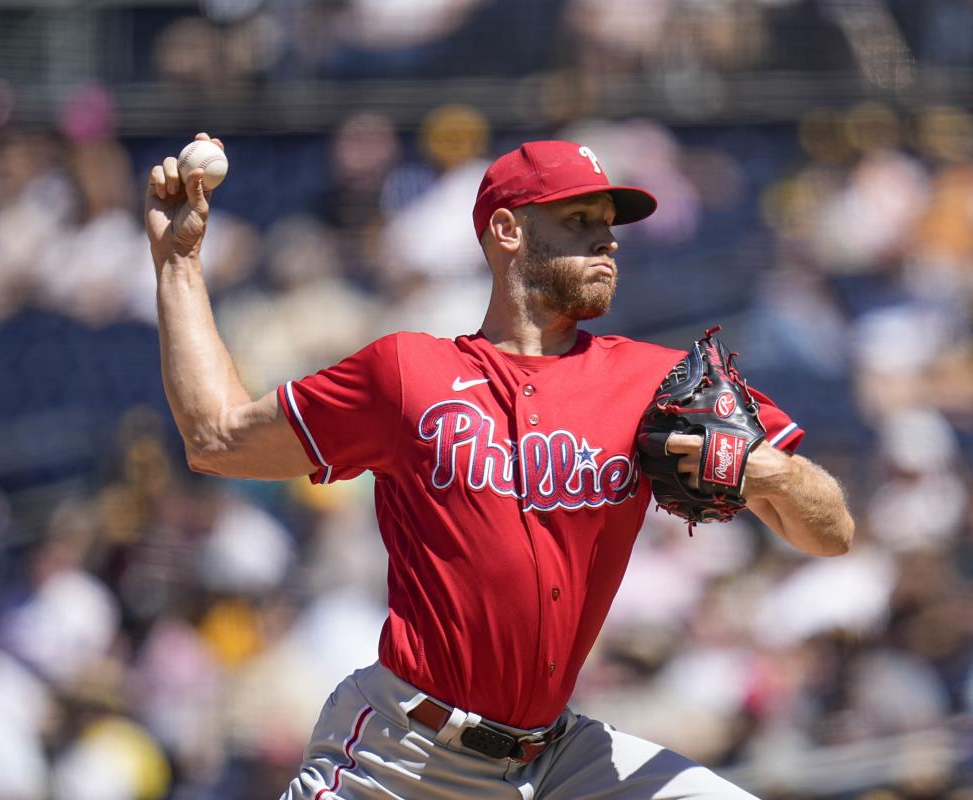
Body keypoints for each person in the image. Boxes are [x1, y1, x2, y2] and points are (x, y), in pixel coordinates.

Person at [144, 134, 854, 799]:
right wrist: (178, 264)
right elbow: (217, 437)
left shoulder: (655, 385)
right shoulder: (406, 373)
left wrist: (777, 477)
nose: (606, 239)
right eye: (579, 219)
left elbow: (833, 534)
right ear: (508, 231)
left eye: (608, 221)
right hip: (403, 754)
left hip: (560, 760)